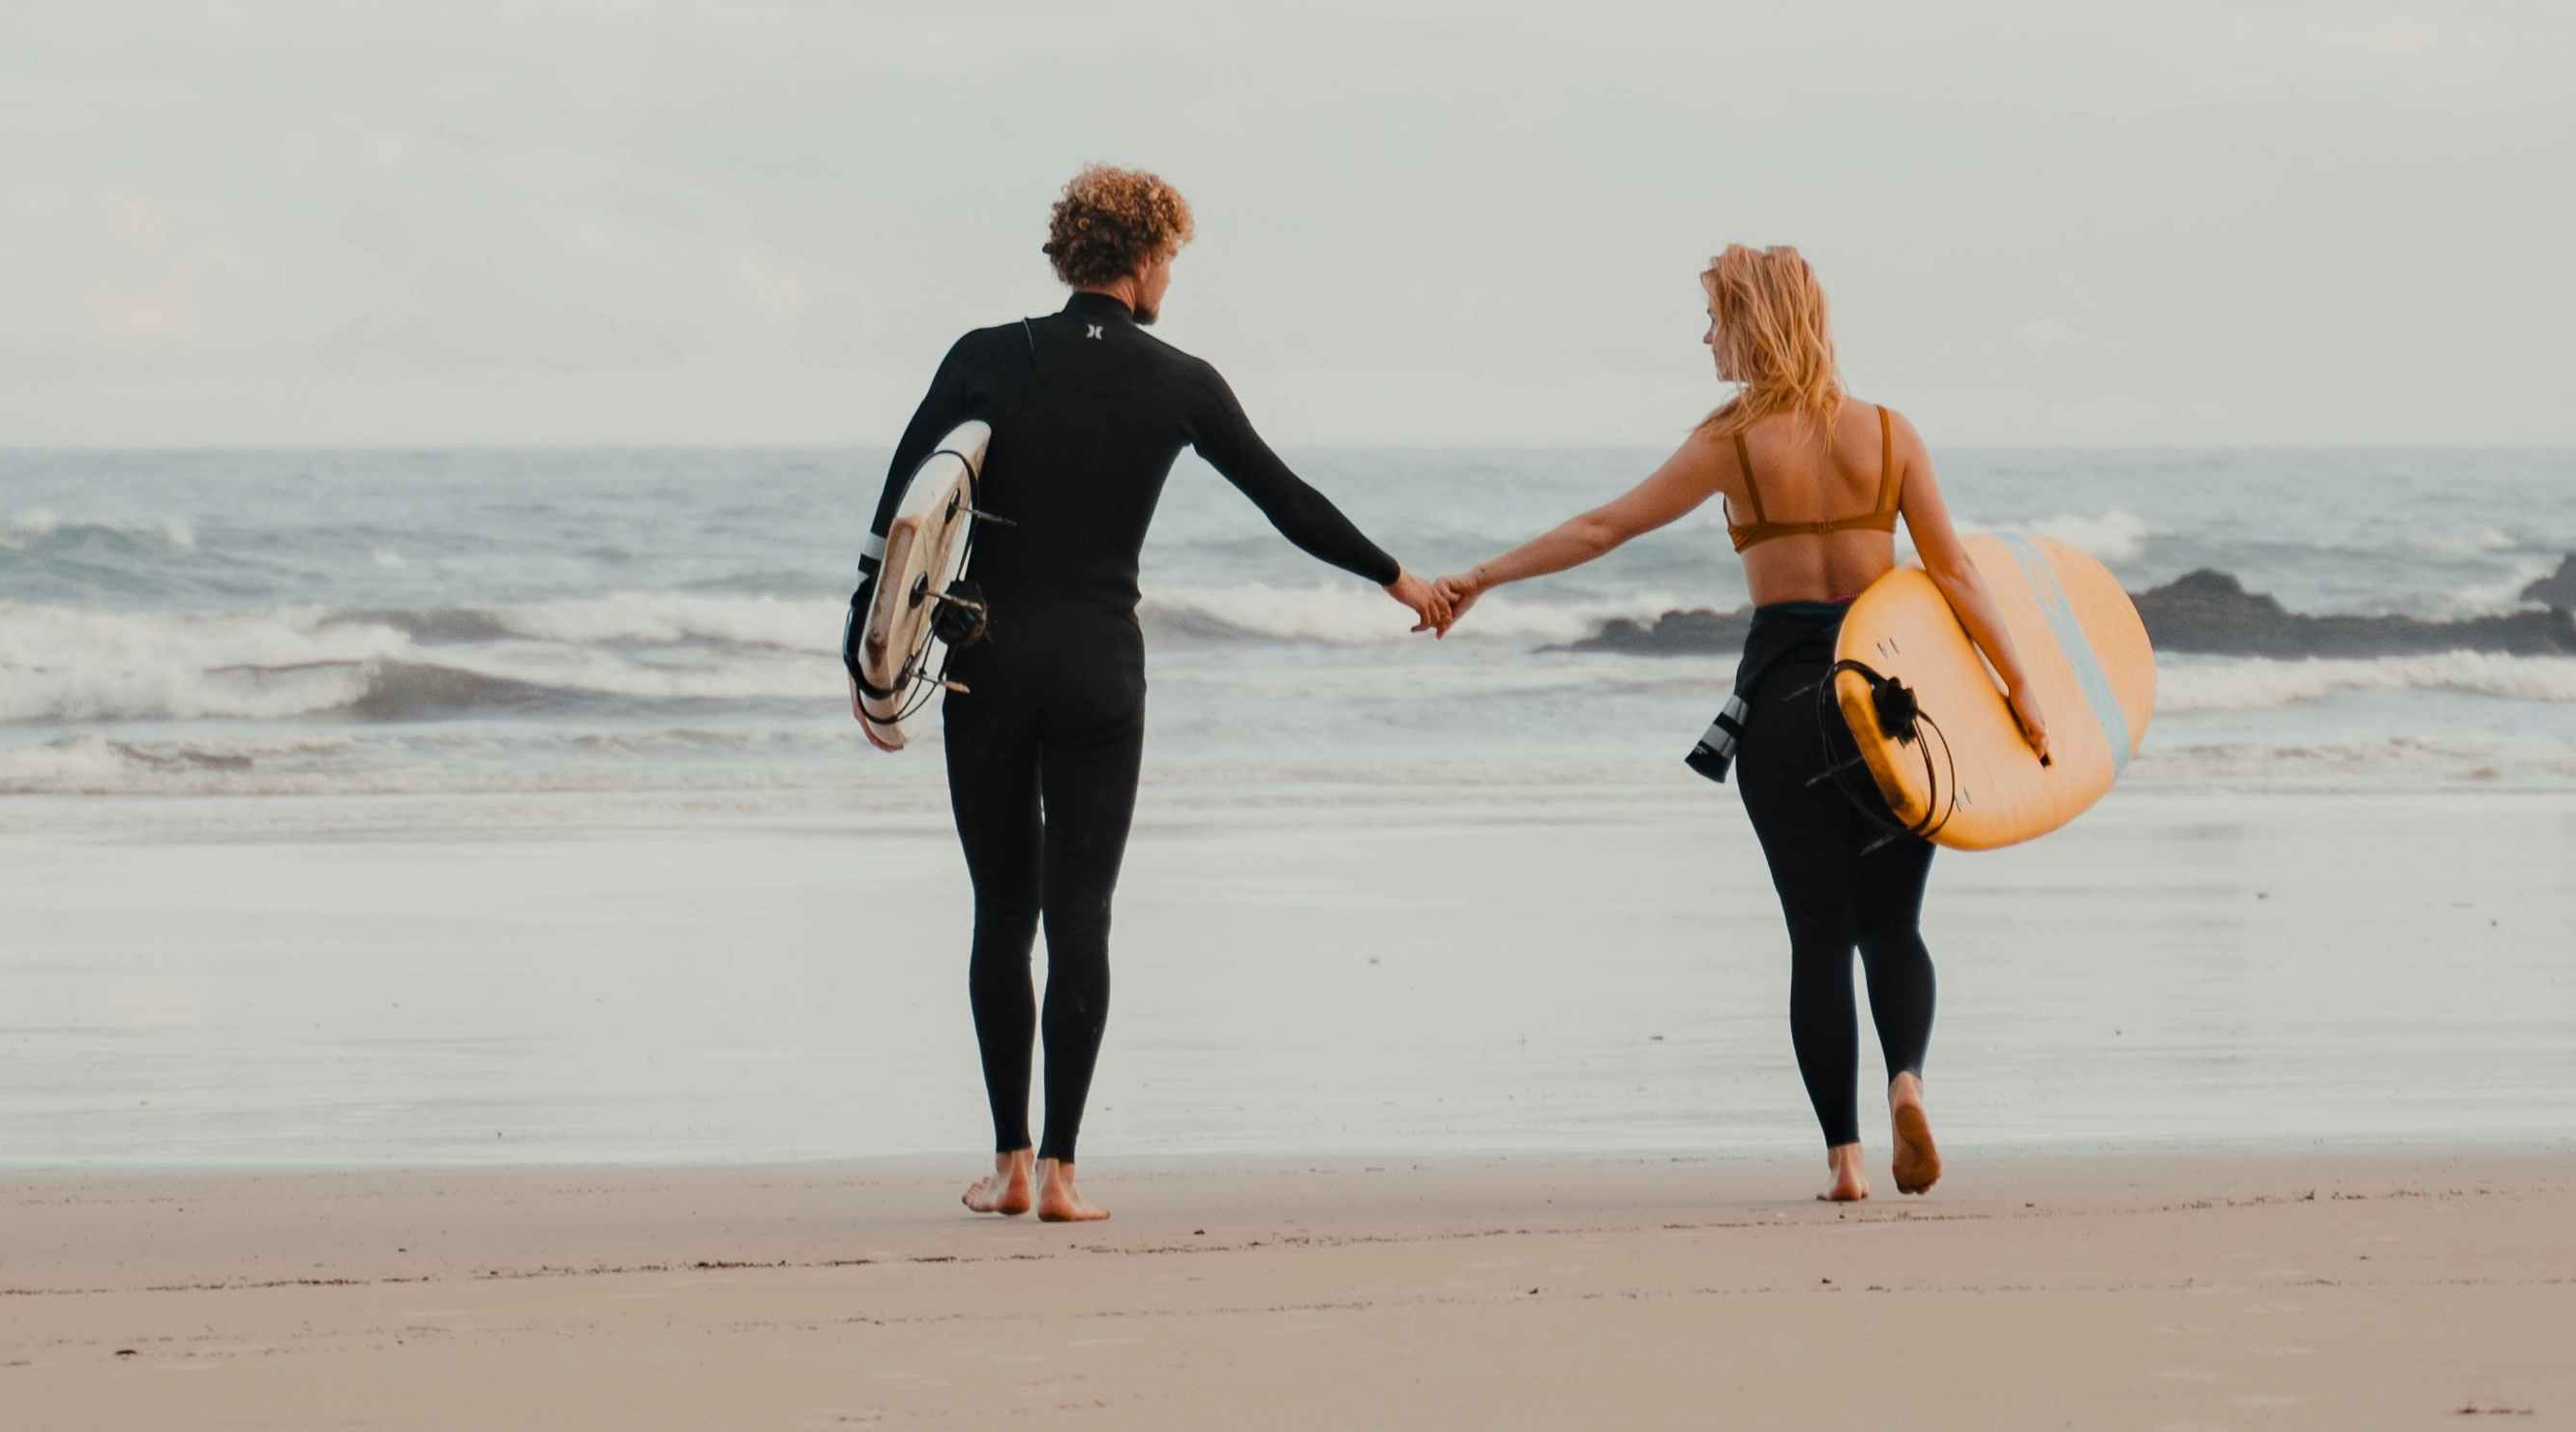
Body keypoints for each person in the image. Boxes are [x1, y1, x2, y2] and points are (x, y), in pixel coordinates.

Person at [851, 165, 1455, 1222]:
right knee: (1082, 914)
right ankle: (1066, 1176)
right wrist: (1396, 576)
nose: (1171, 274)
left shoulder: (985, 357)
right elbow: (1288, 502)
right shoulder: (1180, 379)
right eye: (1171, 255)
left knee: (1004, 912)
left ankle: (1004, 1162)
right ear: (1145, 258)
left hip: (986, 663)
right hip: (1099, 669)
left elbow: (897, 518)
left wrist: (866, 665)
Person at [1431, 245, 2041, 1202]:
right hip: (1892, 708)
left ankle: (1844, 1164)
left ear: (1752, 323)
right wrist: (2023, 695)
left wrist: (1480, 576)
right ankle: (1908, 1086)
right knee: (1893, 922)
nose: (1706, 337)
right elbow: (1957, 575)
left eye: (1715, 318)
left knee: (1816, 936)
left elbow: (1604, 529)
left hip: (1791, 709)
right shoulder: (1890, 434)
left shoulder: (1732, 441)